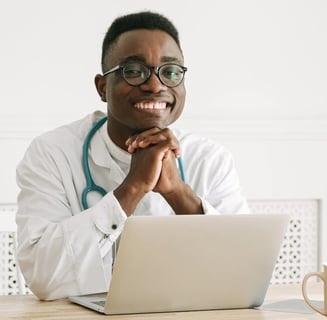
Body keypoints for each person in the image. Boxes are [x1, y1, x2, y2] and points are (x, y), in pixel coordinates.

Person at [16, 11, 249, 300]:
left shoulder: (209, 158)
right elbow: (43, 277)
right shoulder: (53, 153)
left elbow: (245, 276)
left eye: (171, 71)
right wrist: (132, 188)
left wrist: (177, 192)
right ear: (103, 87)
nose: (155, 85)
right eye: (134, 71)